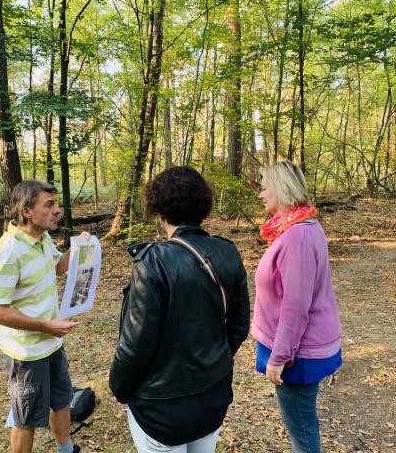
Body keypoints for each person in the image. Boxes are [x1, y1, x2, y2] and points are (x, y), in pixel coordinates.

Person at [109, 166, 250, 453]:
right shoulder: (227, 251)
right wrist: (212, 363)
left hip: (162, 411)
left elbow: (134, 347)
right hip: (212, 398)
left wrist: (119, 389)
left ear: (159, 210)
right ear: (204, 207)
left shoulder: (153, 263)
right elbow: (238, 327)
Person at [0, 180, 88, 453]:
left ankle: (66, 449)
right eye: (49, 205)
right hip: (26, 353)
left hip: (52, 343)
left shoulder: (42, 239)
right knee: (27, 417)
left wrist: (77, 250)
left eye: (56, 204)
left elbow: (56, 268)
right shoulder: (8, 252)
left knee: (62, 399)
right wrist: (45, 325)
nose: (58, 210)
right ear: (27, 211)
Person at [251, 161, 342, 453]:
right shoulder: (298, 226)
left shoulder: (297, 236)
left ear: (280, 189)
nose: (261, 195)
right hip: (292, 346)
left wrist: (279, 357)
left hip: (296, 352)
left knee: (302, 431)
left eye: (265, 188)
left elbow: (296, 306)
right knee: (301, 425)